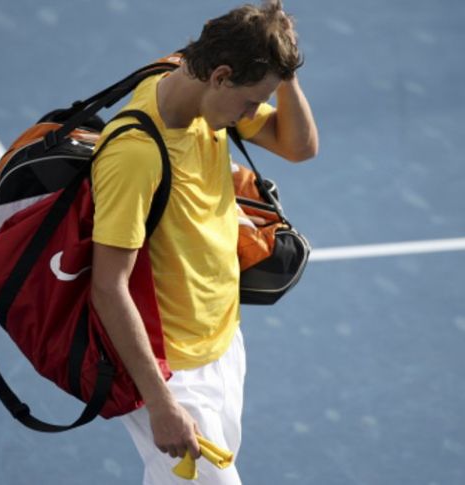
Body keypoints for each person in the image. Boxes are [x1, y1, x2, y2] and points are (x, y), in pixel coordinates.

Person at [89, 1, 318, 483]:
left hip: (221, 340)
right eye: (252, 102)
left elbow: (299, 147)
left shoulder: (201, 93)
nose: (255, 114)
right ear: (219, 76)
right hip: (171, 367)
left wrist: (284, 70)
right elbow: (108, 286)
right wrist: (161, 402)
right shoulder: (135, 155)